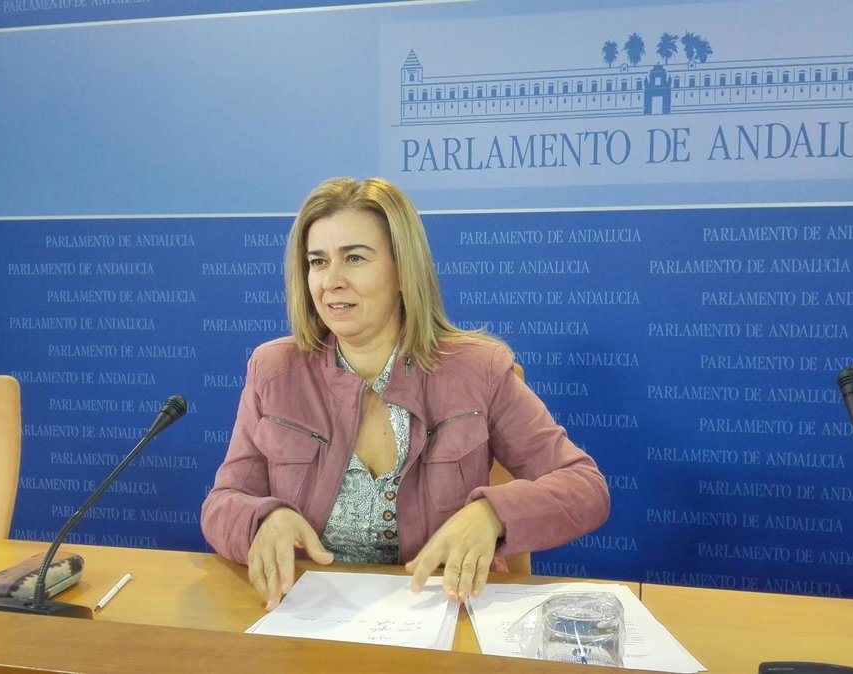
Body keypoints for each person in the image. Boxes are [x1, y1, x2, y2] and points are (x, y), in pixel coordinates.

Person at [200, 177, 609, 610]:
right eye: (318, 262)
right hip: (309, 616)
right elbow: (222, 503)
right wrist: (264, 519)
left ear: (401, 270)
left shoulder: (477, 369)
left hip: (441, 612)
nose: (331, 281)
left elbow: (586, 488)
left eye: (354, 258)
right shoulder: (273, 370)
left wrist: (492, 513)